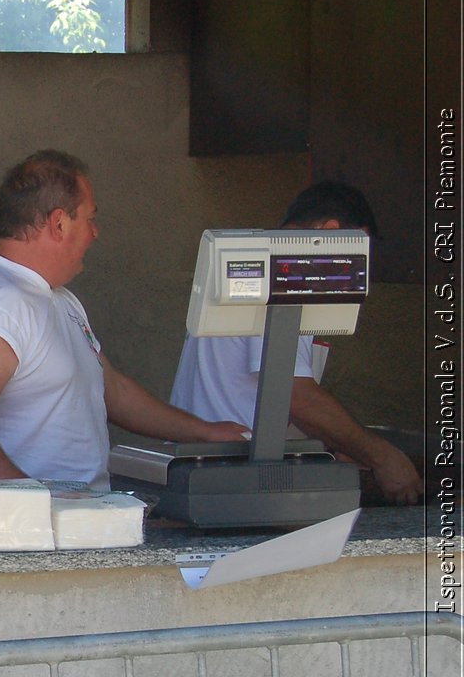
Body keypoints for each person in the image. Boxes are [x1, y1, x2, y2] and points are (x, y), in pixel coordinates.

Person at [0, 150, 248, 490]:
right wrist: (40, 513)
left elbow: (113, 390)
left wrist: (206, 432)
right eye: (90, 218)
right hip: (29, 538)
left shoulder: (57, 298)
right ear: (59, 223)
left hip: (78, 526)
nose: (95, 233)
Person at [170, 180, 423, 504]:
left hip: (212, 471)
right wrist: (382, 456)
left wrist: (335, 446)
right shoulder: (281, 274)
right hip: (228, 477)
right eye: (360, 255)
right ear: (332, 232)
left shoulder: (264, 265)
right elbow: (294, 394)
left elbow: (270, 399)